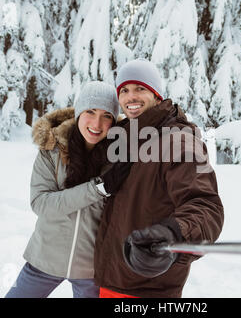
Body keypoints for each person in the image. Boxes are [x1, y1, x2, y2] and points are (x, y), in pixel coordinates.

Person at [93, 59, 225, 298]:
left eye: (140, 88)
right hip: (111, 279)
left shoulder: (180, 141)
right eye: (124, 90)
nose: (130, 97)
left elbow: (207, 208)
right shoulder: (125, 138)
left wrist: (174, 234)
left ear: (156, 94)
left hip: (148, 287)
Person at [5, 81, 126, 298]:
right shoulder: (51, 149)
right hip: (44, 259)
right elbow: (41, 204)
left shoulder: (119, 158)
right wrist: (98, 188)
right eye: (90, 111)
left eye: (106, 115)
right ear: (79, 112)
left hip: (90, 269)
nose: (97, 123)